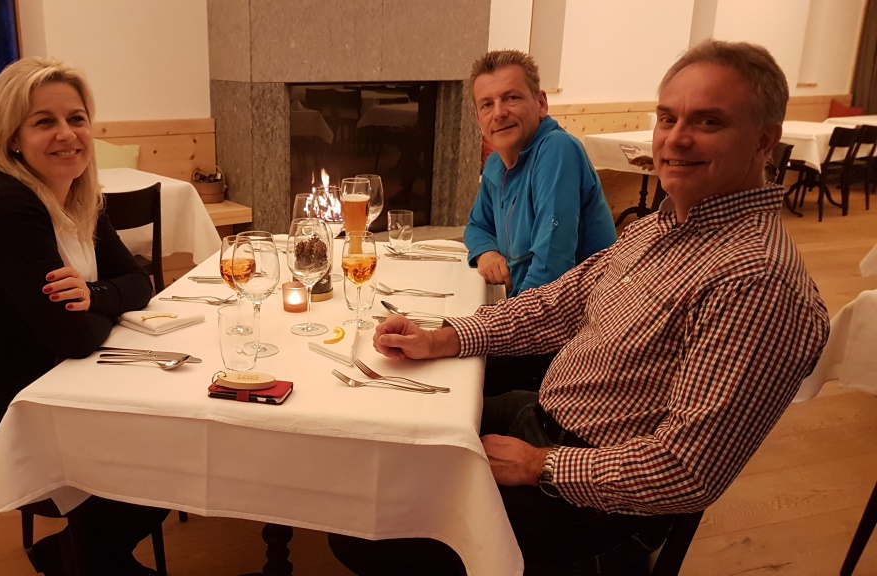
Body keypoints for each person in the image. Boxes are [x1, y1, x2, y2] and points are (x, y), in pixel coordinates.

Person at [329, 40, 830, 575]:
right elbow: (557, 305)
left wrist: (539, 465)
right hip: (544, 418)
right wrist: (443, 336)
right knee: (384, 437)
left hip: (592, 501)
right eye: (668, 118)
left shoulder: (756, 279)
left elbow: (686, 470)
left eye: (709, 122)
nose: (676, 138)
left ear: (765, 138)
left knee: (364, 532)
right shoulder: (664, 226)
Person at [0, 57, 167, 576]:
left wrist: (93, 296)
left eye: (76, 118)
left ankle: (78, 555)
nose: (66, 134)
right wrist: (99, 306)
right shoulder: (9, 208)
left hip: (47, 383)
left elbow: (139, 282)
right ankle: (86, 558)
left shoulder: (78, 196)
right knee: (162, 452)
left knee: (171, 439)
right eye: (43, 122)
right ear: (13, 138)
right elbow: (74, 337)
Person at [464, 50, 616, 299]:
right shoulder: (495, 163)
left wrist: (502, 319)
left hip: (581, 312)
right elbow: (477, 225)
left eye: (511, 98)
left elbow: (551, 266)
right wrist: (486, 253)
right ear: (479, 119)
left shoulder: (557, 150)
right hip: (527, 303)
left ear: (541, 104)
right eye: (487, 104)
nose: (499, 113)